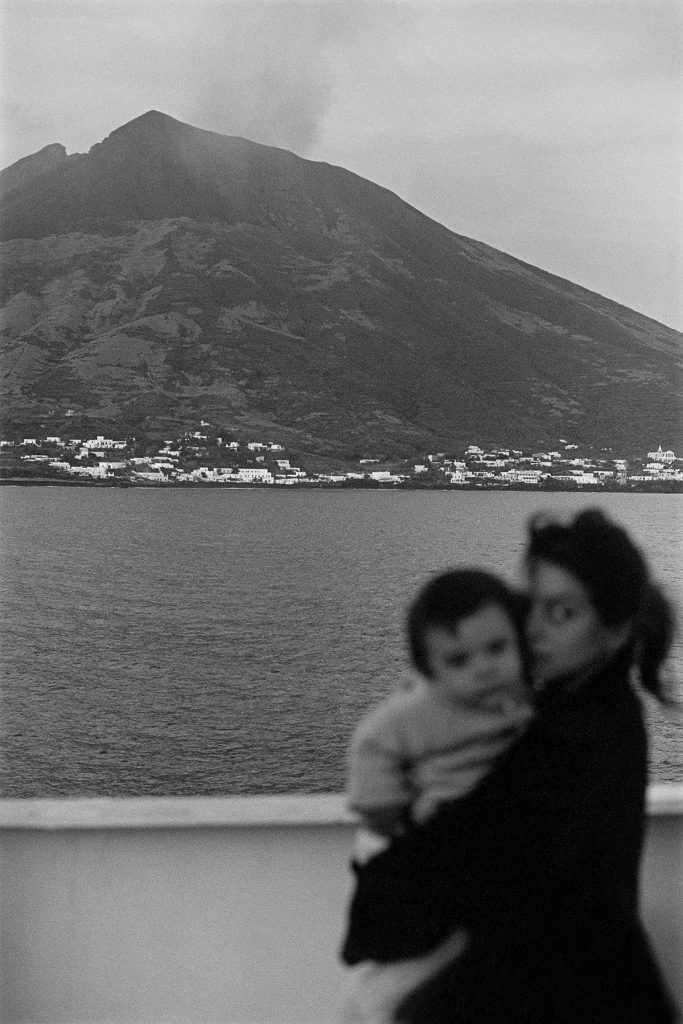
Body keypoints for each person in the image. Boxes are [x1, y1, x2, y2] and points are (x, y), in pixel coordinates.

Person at [341, 508, 678, 1023]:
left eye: (561, 613)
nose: (533, 630)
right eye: (527, 606)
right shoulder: (584, 711)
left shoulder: (571, 739)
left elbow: (445, 878)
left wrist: (380, 860)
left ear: (614, 632)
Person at [340, 569, 534, 1023]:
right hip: (408, 832)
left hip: (469, 839)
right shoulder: (419, 710)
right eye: (458, 661)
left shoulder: (522, 694)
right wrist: (385, 807)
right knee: (410, 955)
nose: (483, 668)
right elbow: (371, 744)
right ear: (430, 670)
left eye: (497, 648)